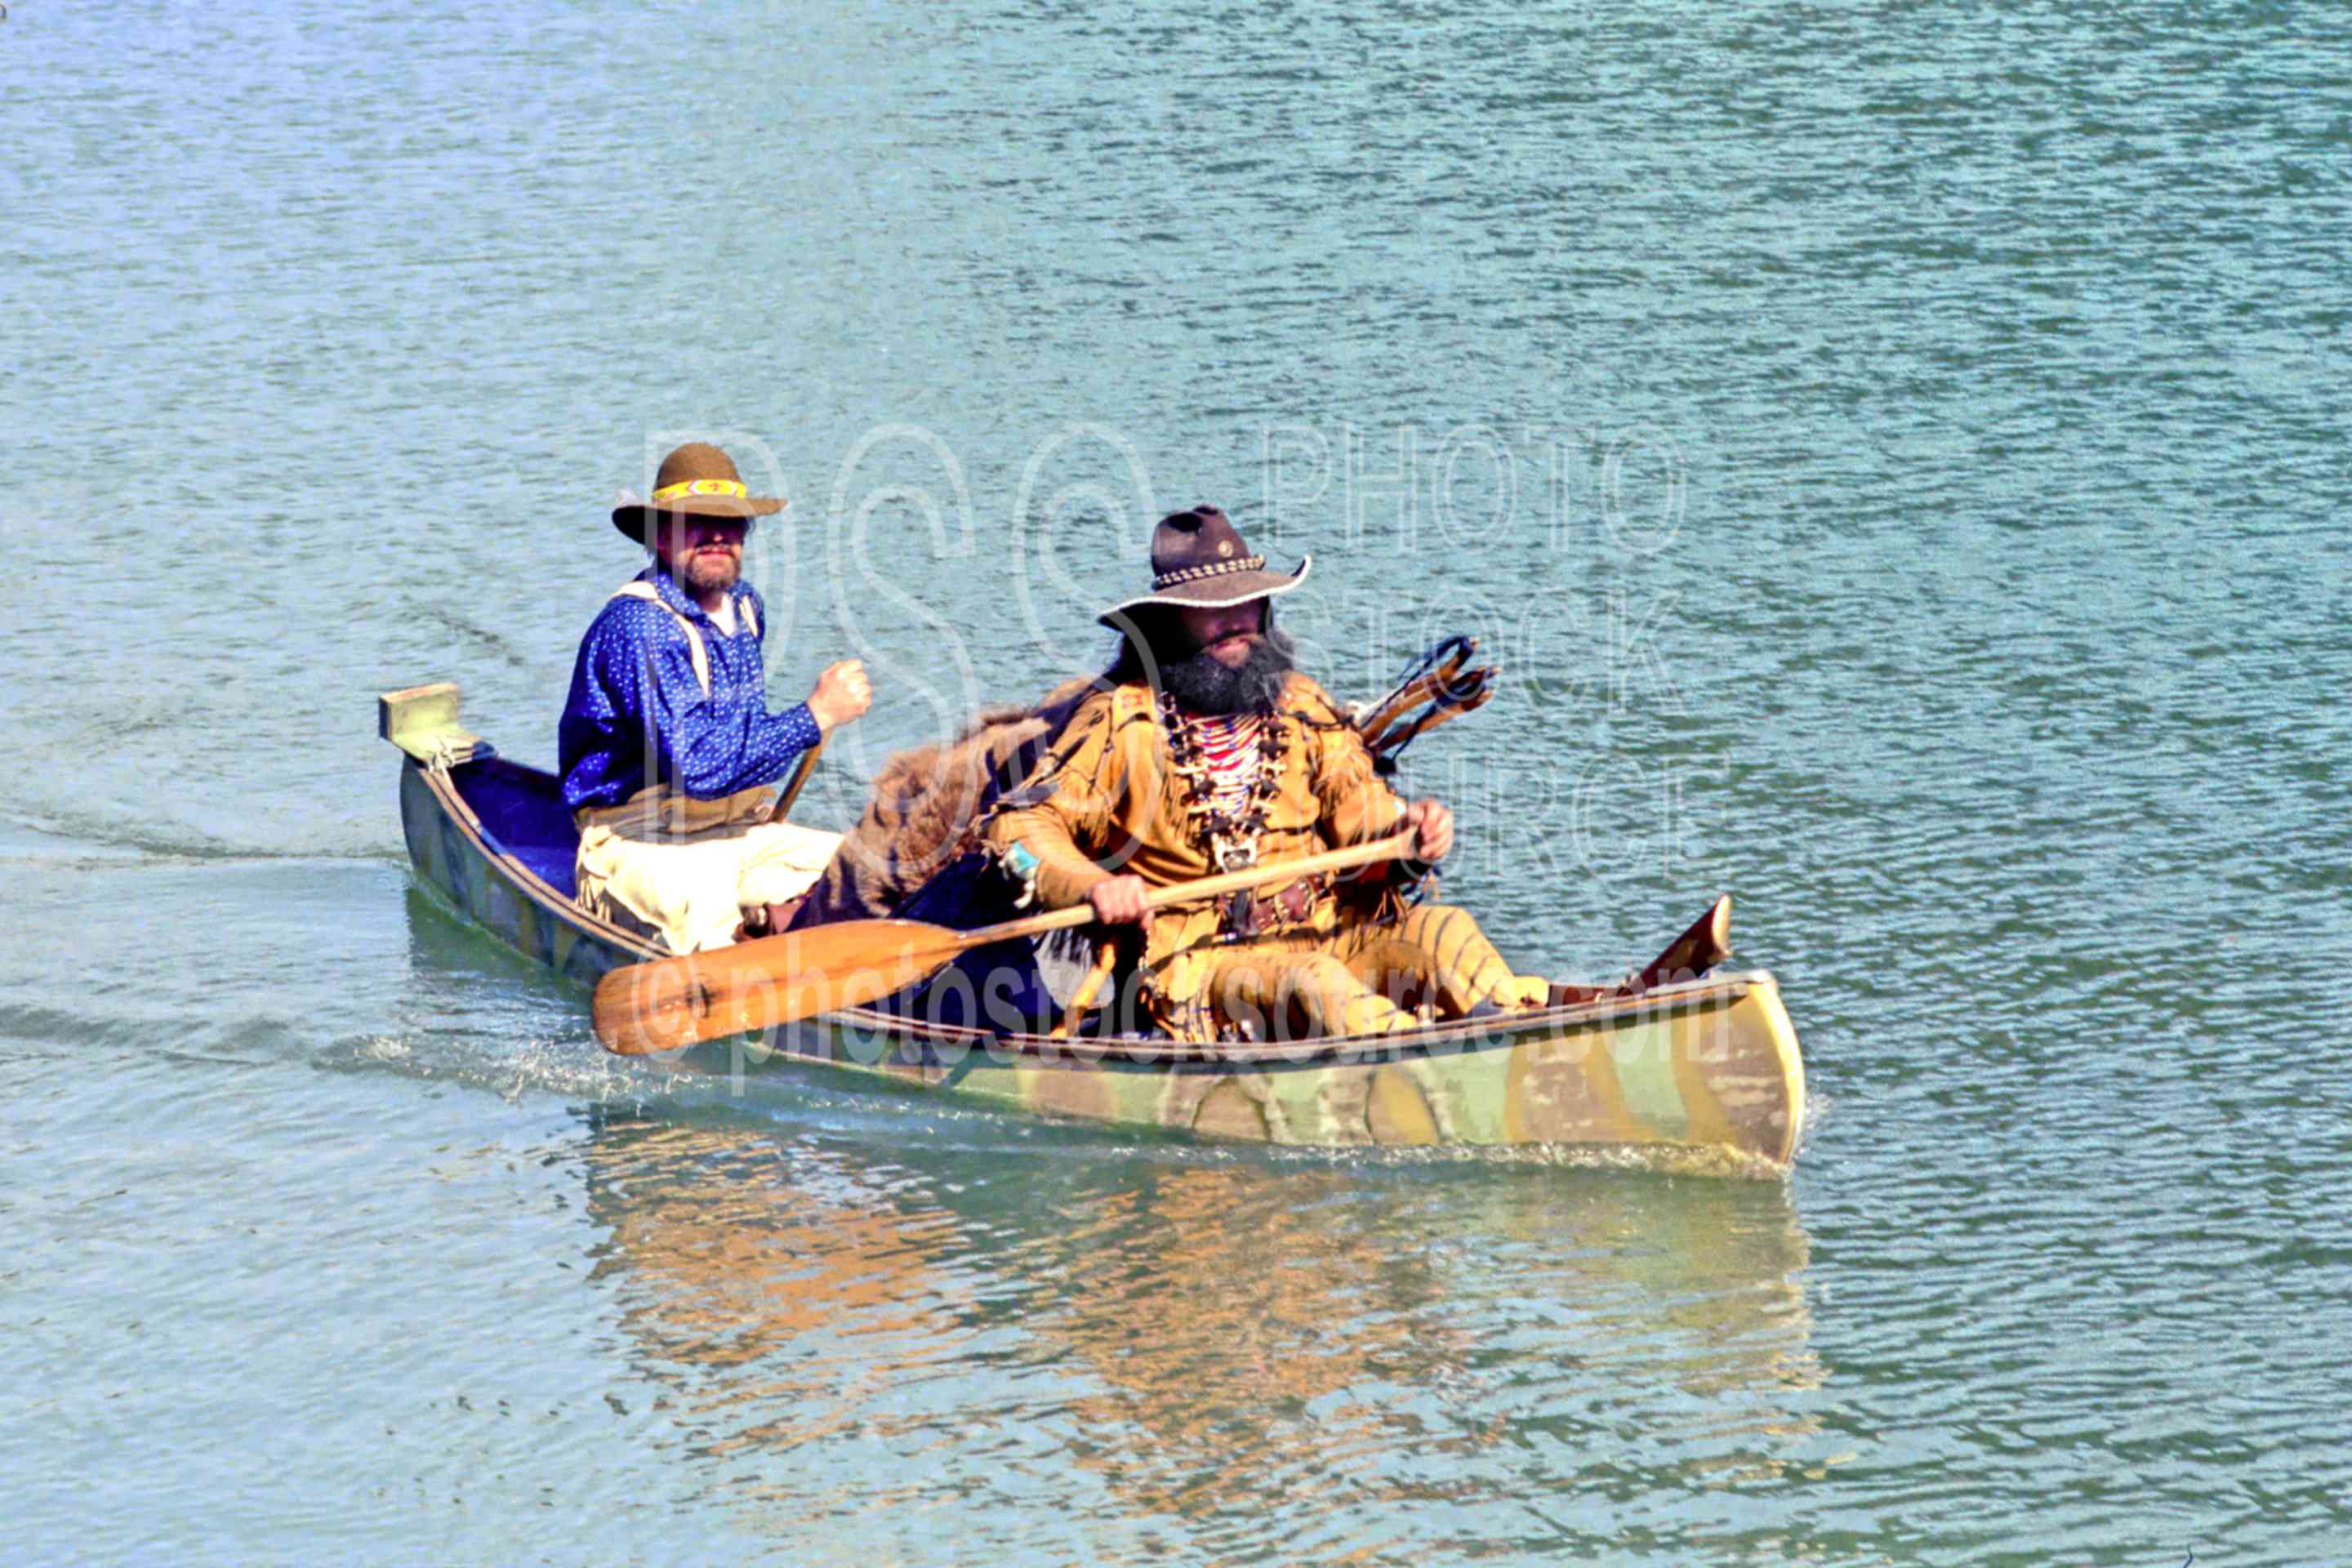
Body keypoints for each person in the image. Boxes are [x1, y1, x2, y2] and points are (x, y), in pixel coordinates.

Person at [983, 506, 1549, 1043]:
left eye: (1247, 604)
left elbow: (1362, 810)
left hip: (1330, 931)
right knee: (1316, 986)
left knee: (1447, 934)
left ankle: (1527, 1037)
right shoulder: (1121, 721)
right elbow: (1021, 830)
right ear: (1168, 624)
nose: (1235, 623)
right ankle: (1447, 1070)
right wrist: (1095, 886)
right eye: (1212, 609)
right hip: (1200, 965)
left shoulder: (1299, 704)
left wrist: (1409, 834)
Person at [559, 441, 872, 953]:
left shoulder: (746, 607)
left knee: (871, 873)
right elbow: (697, 768)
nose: (717, 536)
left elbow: (735, 748)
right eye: (695, 523)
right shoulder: (639, 626)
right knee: (710, 927)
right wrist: (815, 715)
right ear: (661, 538)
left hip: (739, 828)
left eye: (730, 524)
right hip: (637, 840)